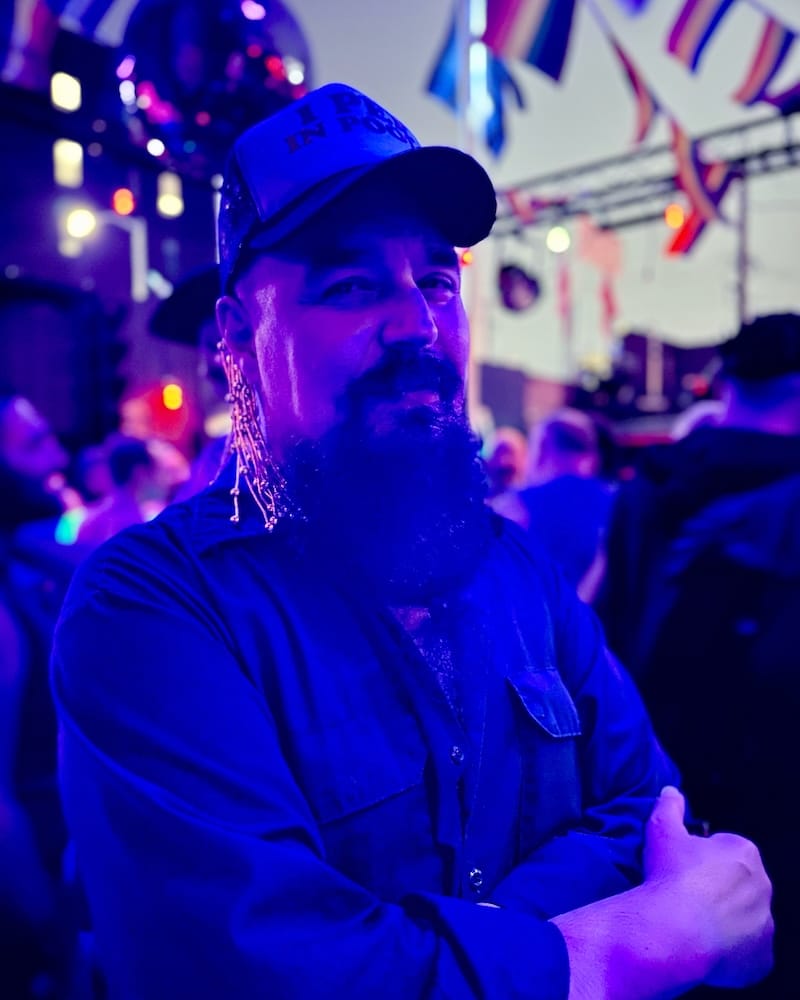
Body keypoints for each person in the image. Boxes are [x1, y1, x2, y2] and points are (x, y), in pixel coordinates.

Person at [51, 84, 772, 999]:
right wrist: (627, 944)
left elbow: (653, 812)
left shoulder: (513, 566)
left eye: (436, 281)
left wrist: (438, 945)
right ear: (239, 337)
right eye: (350, 285)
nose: (417, 325)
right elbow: (264, 976)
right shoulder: (151, 610)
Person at [598, 313, 800, 997]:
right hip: (775, 790)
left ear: (730, 383)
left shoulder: (649, 485)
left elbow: (609, 622)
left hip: (649, 787)